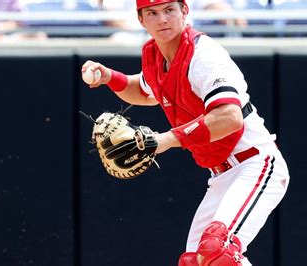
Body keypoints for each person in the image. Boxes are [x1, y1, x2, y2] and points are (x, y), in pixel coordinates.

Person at [81, 0, 290, 265]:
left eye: (169, 10)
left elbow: (229, 117)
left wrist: (165, 139)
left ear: (185, 11)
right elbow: (145, 92)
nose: (162, 19)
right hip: (221, 174)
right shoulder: (156, 55)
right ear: (141, 20)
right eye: (152, 13)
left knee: (218, 250)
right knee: (195, 261)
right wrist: (109, 76)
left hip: (255, 163)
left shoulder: (204, 55)